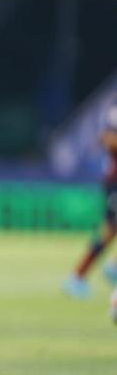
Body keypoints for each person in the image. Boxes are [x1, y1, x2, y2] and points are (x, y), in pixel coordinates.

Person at [64, 102, 117, 322]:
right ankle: (78, 277)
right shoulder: (113, 114)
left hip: (112, 182)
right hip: (114, 184)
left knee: (110, 231)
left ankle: (96, 272)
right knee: (109, 230)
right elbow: (106, 139)